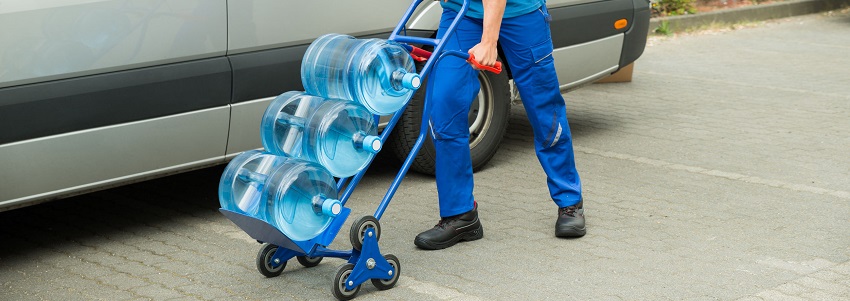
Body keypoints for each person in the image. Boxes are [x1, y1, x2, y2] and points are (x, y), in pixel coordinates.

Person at [413, 0, 585, 250]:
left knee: (544, 109)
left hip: (521, 13)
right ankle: (460, 214)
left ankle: (570, 202)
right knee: (445, 105)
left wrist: (489, 42)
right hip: (462, 12)